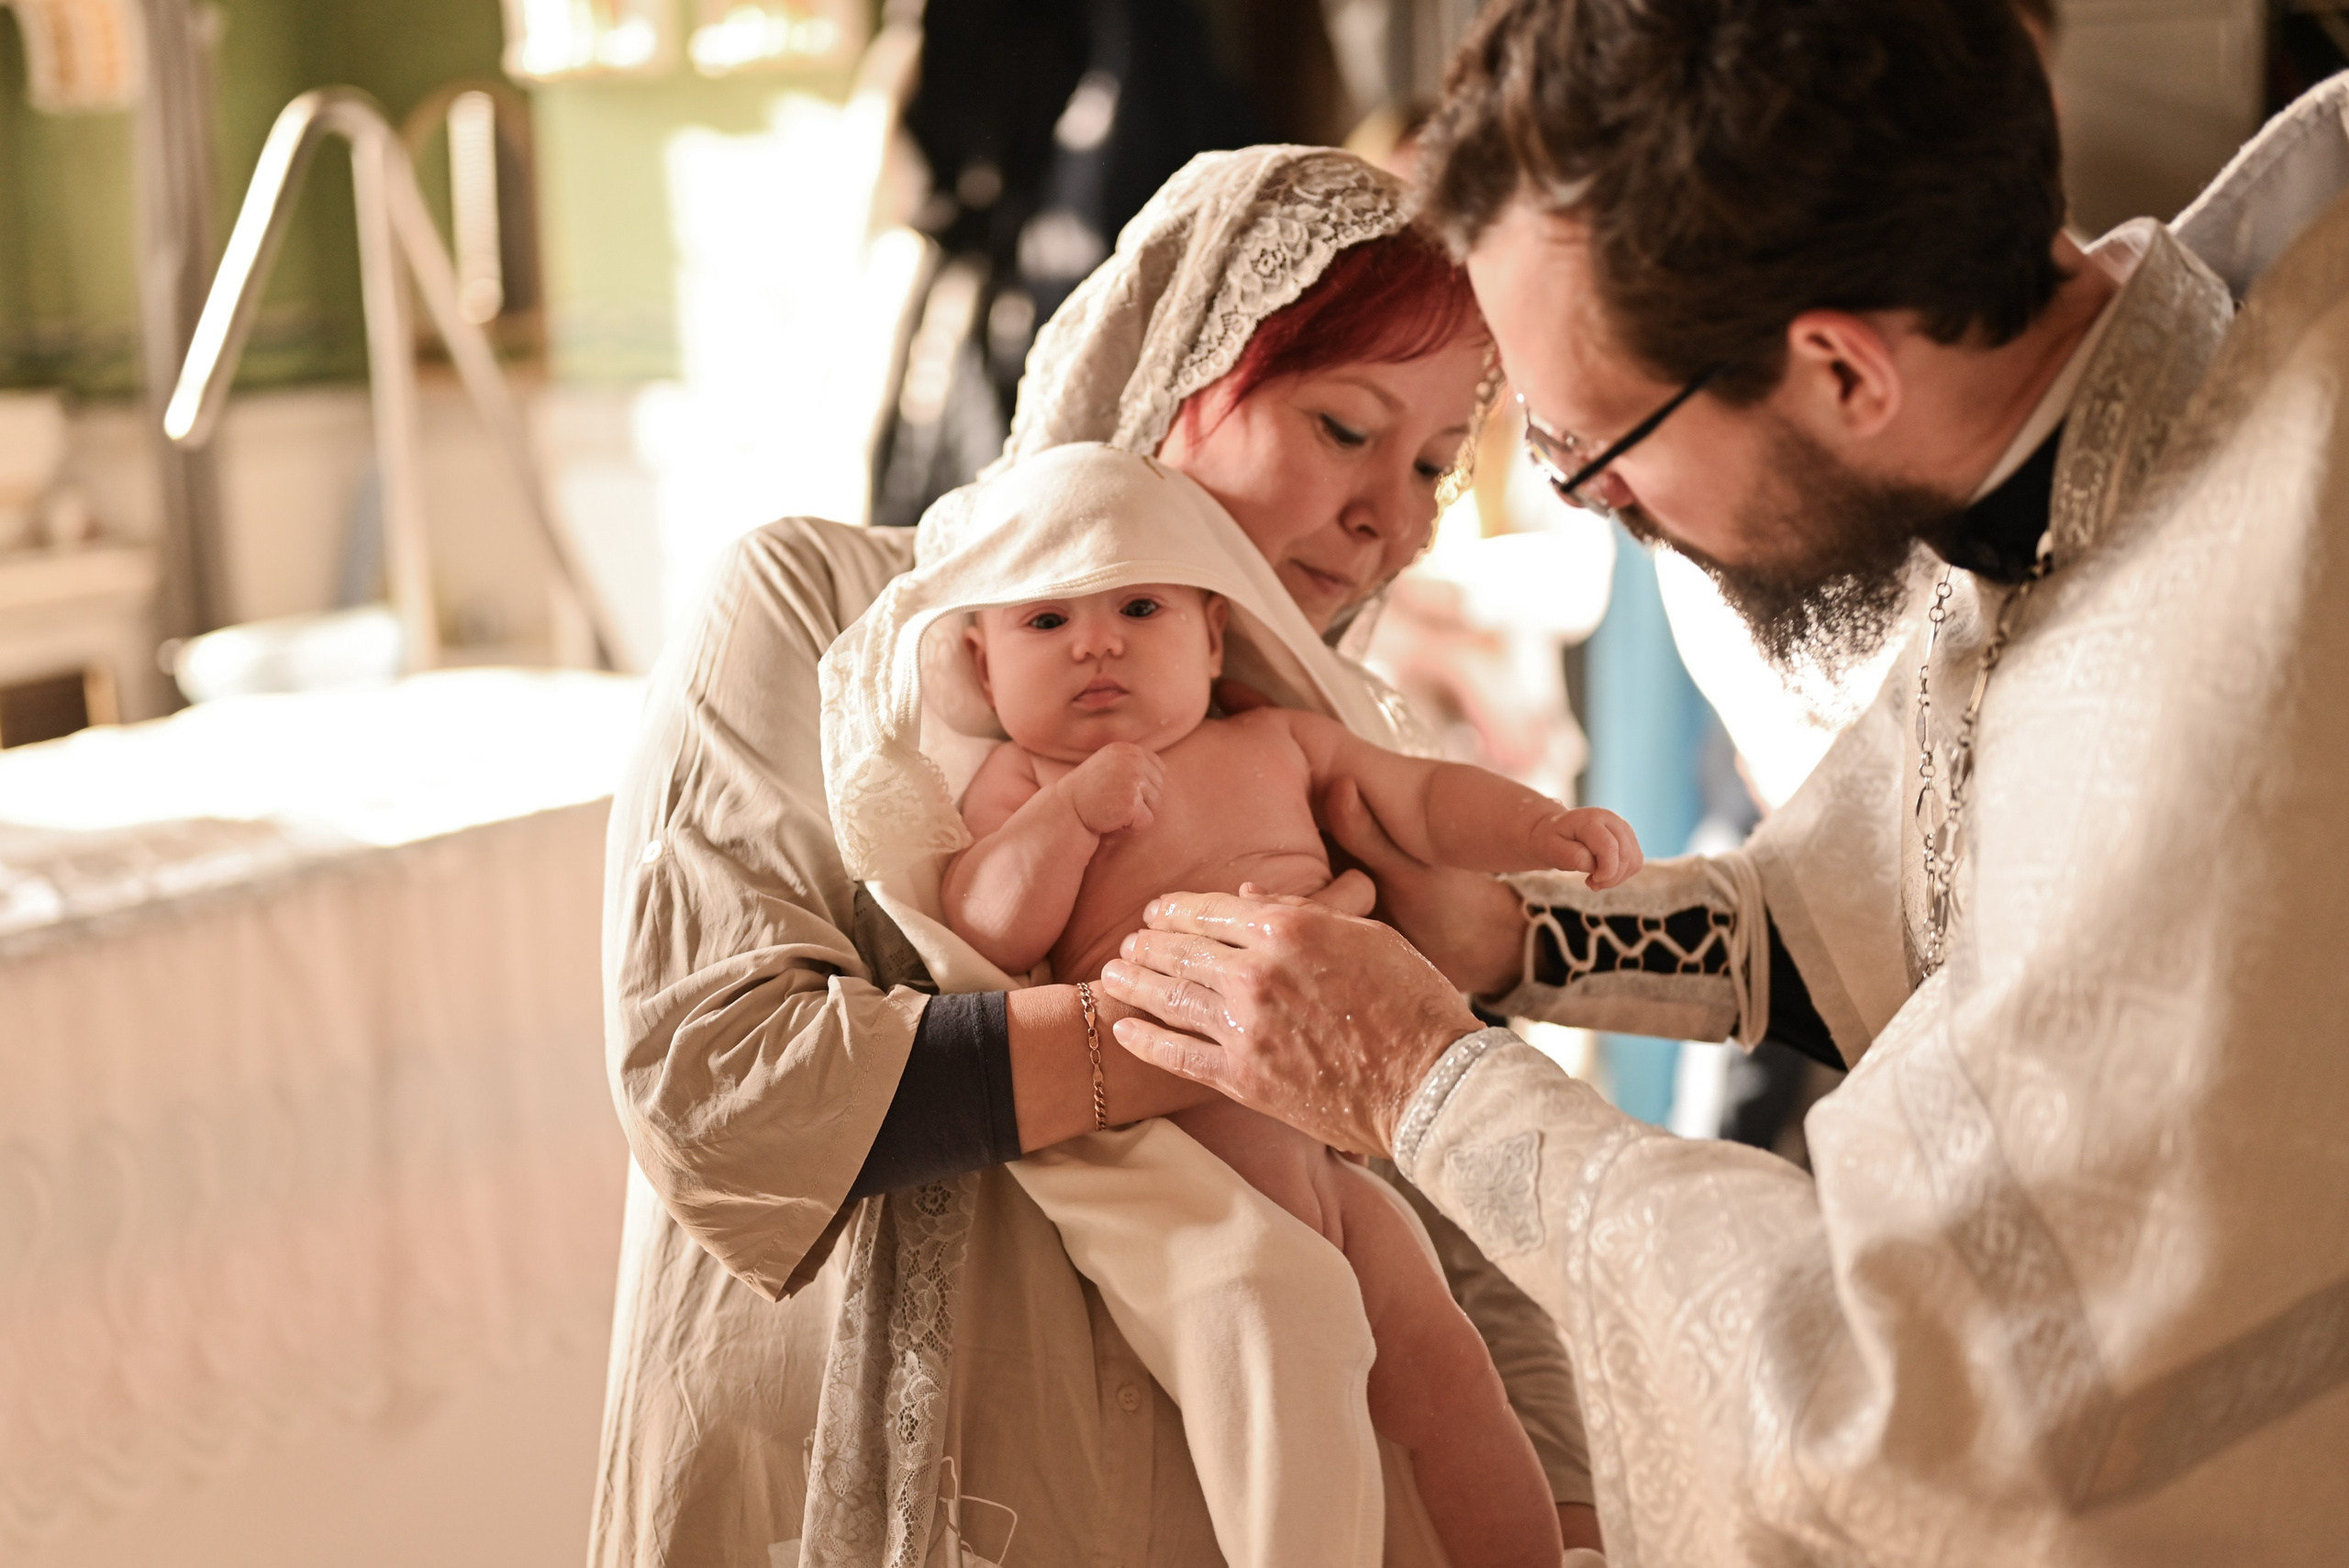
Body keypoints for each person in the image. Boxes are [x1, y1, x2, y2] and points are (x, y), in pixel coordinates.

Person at [1101, 5, 2349, 1564]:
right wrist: (1511, 941)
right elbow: (1884, 907)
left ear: (1837, 364)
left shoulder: (2224, 684)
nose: (1601, 505)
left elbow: (1964, 1437)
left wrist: (1423, 1079)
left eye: (1595, 445)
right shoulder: (2127, 424)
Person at [592, 147, 1605, 1568]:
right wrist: (1224, 1034)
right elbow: (723, 1083)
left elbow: (1444, 1186)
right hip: (866, 1487)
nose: (1395, 512)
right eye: (1341, 425)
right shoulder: (821, 612)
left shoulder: (1336, 753)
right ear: (1175, 365)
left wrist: (1567, 1519)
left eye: (1435, 461)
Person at [826, 440, 1636, 1566]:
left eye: (1140, 605)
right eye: (1045, 622)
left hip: (1337, 1152)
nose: (1097, 640)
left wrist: (1536, 829)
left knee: (1446, 1371)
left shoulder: (1275, 739)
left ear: (1212, 631)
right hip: (1194, 1159)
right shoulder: (1019, 781)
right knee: (1283, 1357)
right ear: (978, 654)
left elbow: (1418, 796)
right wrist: (1074, 815)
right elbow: (986, 922)